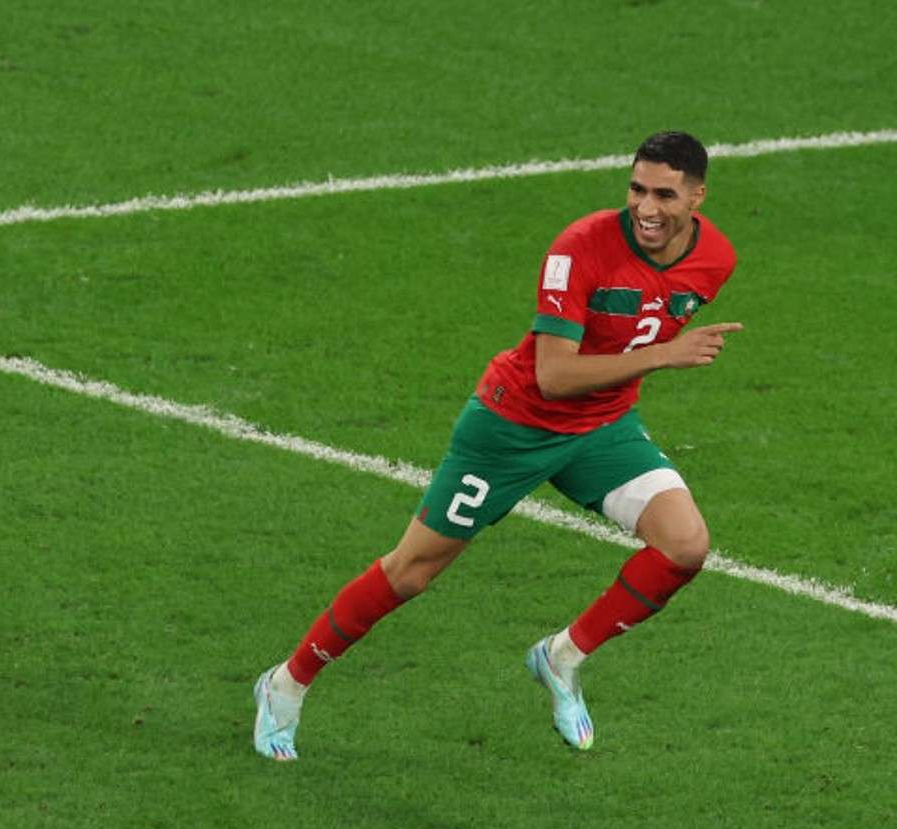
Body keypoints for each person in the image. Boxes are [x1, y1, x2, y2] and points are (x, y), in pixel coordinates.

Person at [252, 131, 741, 761]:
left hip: (603, 427)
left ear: (697, 197)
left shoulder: (715, 259)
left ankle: (561, 657)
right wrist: (665, 356)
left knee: (685, 545)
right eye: (637, 189)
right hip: (514, 427)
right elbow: (553, 375)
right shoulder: (579, 249)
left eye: (664, 195)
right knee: (411, 571)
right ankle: (285, 684)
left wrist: (644, 367)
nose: (646, 208)